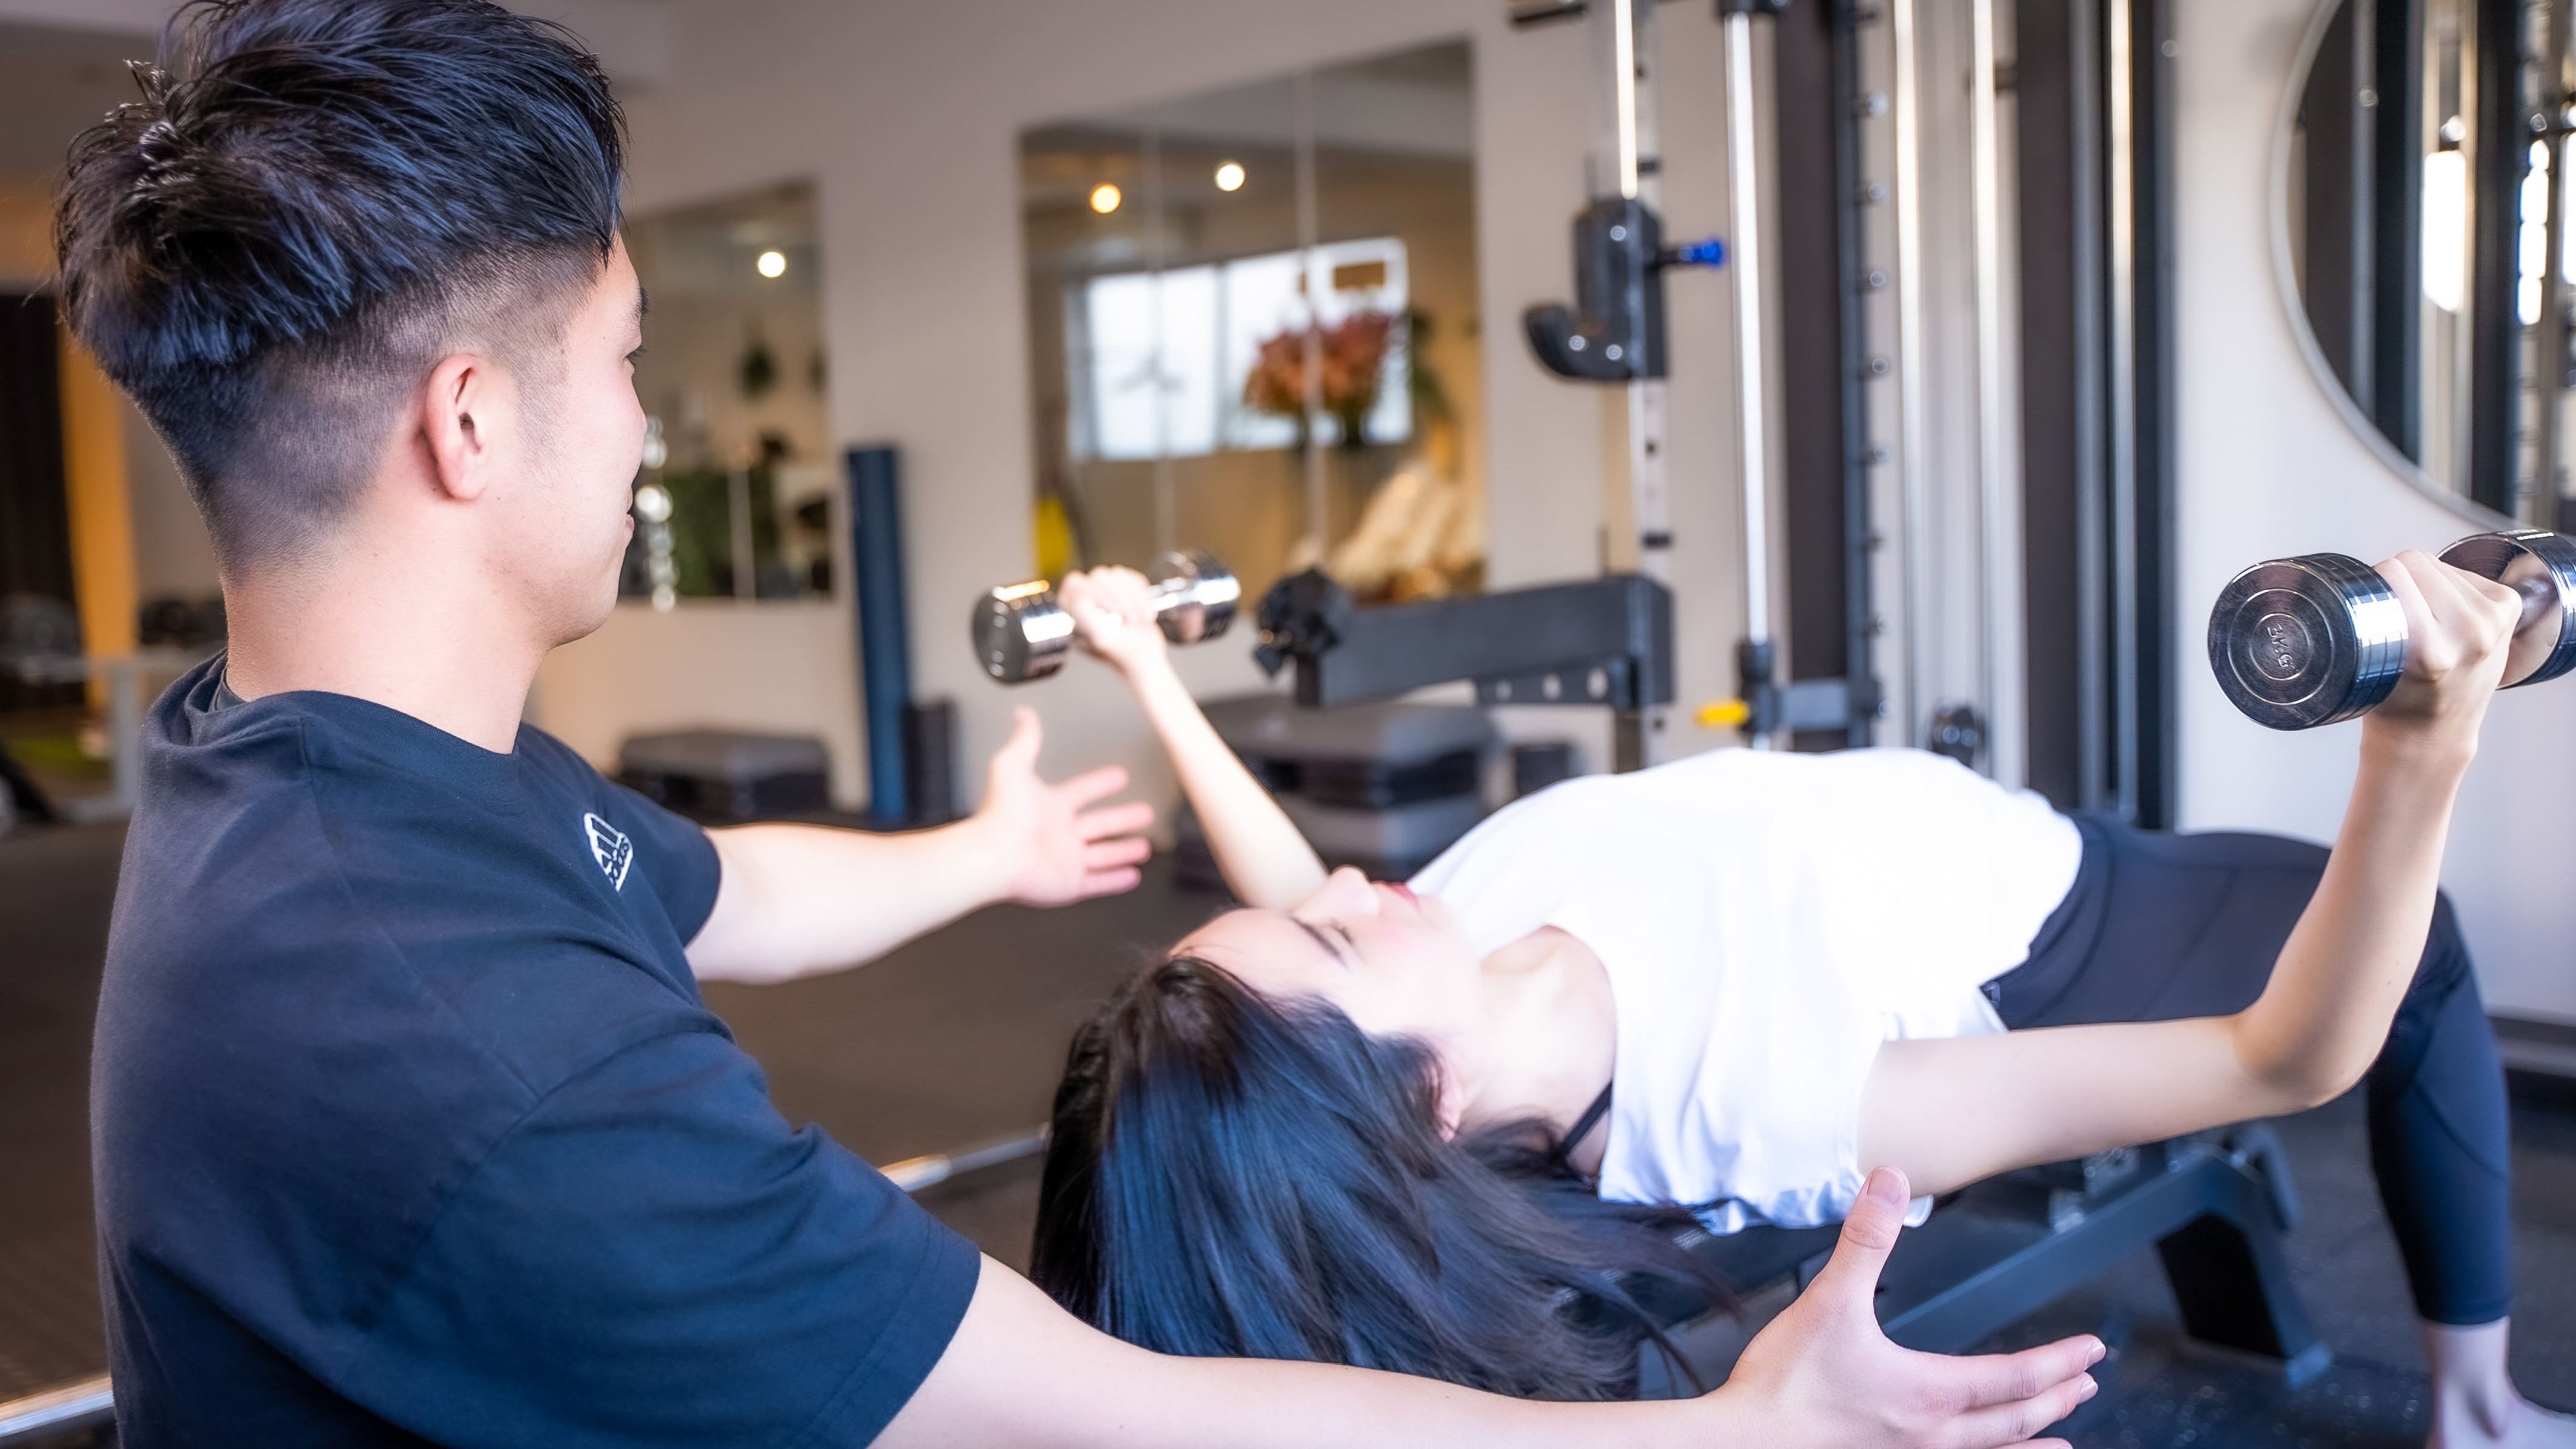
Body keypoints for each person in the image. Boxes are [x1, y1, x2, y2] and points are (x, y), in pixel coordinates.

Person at [63, 2, 2105, 1444]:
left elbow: (723, 889)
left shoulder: (323, 764)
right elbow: (1112, 1410)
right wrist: (1733, 1432)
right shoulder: (491, 1052)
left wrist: (991, 855)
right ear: (469, 422)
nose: (647, 428)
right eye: (623, 361)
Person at [1034, 559, 2569, 1447]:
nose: (1356, 884)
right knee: (2421, 956)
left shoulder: (1433, 968)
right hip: (2065, 913)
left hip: (1978, 826)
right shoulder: (1764, 1100)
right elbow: (2281, 1054)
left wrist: (1144, 665)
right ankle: (2478, 1401)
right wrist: (2419, 747)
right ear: (1427, 1094)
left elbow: (1290, 901)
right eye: (1339, 931)